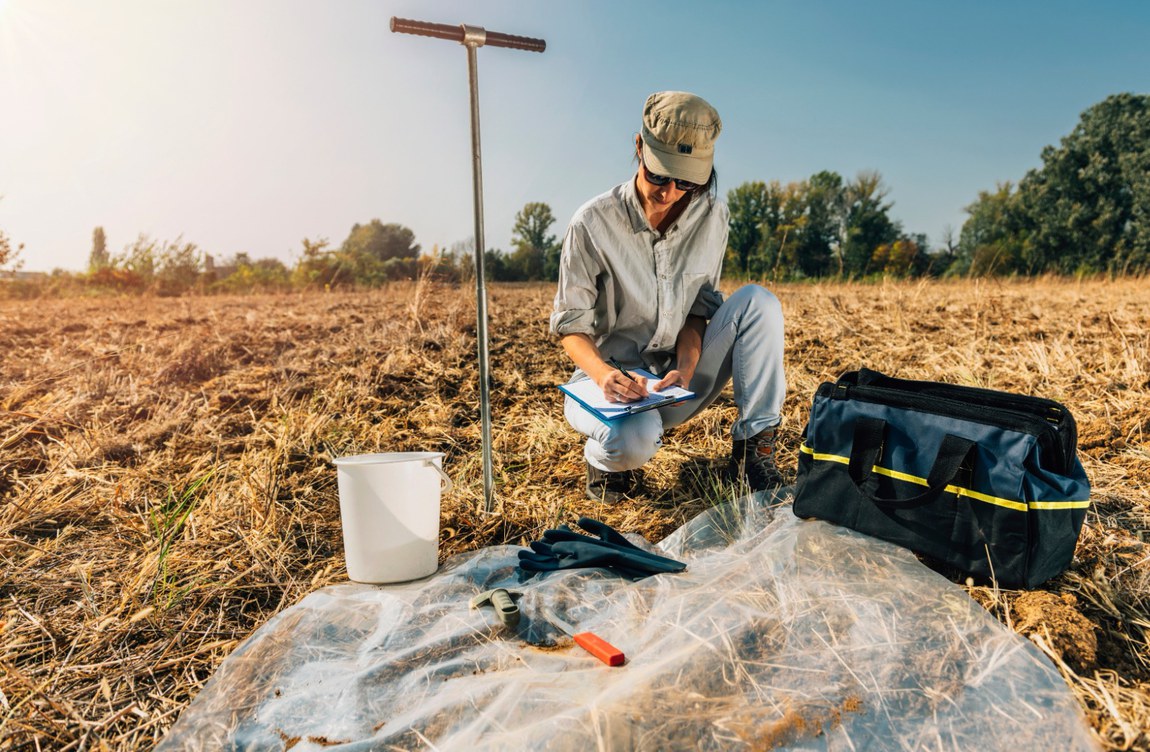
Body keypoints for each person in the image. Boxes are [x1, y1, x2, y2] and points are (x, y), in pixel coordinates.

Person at [550, 90, 787, 503]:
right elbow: (571, 328)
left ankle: (754, 452)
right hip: (609, 386)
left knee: (758, 303)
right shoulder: (590, 223)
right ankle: (605, 461)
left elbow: (699, 310)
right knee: (632, 444)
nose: (669, 192)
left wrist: (686, 367)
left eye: (687, 182)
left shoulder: (713, 215)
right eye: (658, 175)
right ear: (639, 147)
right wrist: (607, 377)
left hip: (675, 381)